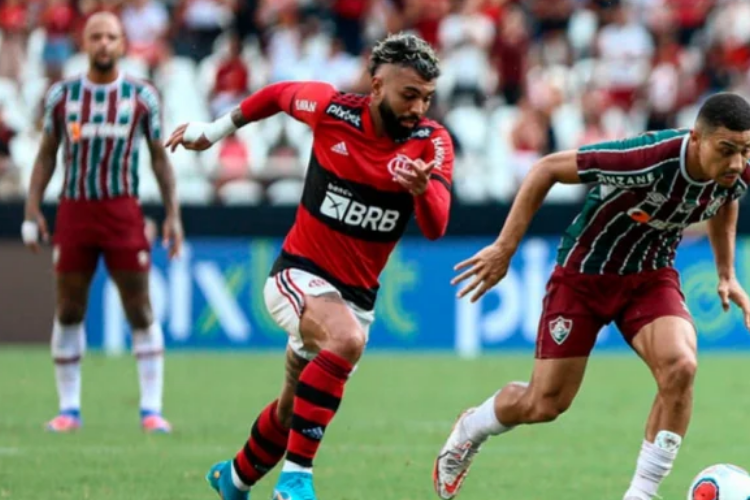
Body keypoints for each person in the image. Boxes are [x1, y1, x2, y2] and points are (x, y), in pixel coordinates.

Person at [433, 92, 750, 500]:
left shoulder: (737, 172)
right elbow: (546, 169)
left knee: (681, 366)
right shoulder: (649, 157)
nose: (736, 162)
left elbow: (725, 200)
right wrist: (505, 247)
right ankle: (472, 427)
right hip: (584, 275)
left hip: (649, 277)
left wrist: (726, 272)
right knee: (545, 403)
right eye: (726, 150)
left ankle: (641, 494)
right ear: (697, 138)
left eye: (745, 150)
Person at [166, 33, 454, 500]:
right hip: (296, 276)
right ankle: (296, 480)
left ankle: (234, 480)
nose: (418, 108)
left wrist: (422, 191)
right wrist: (213, 130)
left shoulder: (431, 142)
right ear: (377, 87)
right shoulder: (332, 109)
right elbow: (278, 95)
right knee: (345, 341)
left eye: (426, 97)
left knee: (291, 410)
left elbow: (438, 225)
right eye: (408, 95)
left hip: (354, 298)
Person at [23, 12, 183, 434]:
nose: (104, 44)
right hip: (75, 210)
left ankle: (151, 408)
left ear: (123, 42)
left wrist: (173, 215)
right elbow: (45, 154)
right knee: (70, 308)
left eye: (111, 36)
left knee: (139, 308)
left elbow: (159, 159)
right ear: (84, 41)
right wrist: (32, 207)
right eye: (96, 36)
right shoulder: (62, 96)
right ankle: (68, 409)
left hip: (123, 211)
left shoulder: (141, 97)